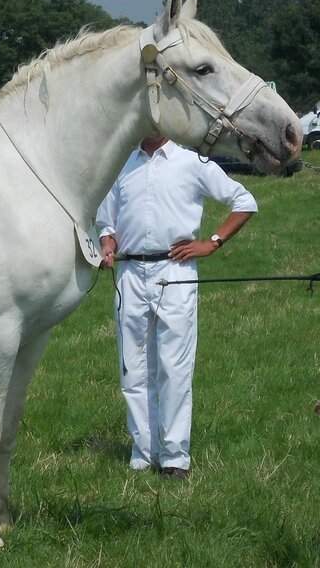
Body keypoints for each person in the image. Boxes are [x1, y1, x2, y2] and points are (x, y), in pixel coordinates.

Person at [96, 134, 257, 480]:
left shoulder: (190, 162)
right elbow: (106, 220)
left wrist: (211, 243)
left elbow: (243, 201)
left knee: (174, 365)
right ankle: (143, 455)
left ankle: (174, 458)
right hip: (130, 272)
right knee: (133, 368)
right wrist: (107, 244)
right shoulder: (121, 165)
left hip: (175, 270)